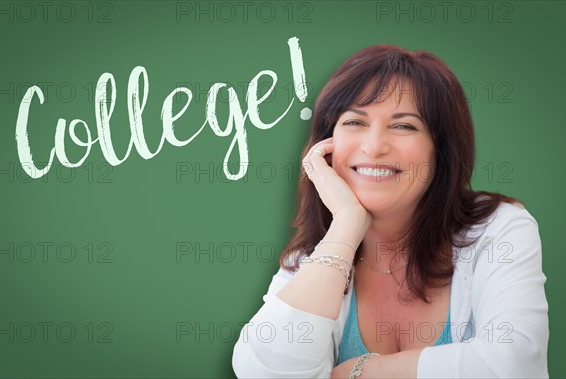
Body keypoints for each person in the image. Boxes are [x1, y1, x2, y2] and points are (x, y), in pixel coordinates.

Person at [231, 44, 549, 378]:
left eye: (403, 126)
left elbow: (514, 363)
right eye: (355, 121)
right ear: (326, 146)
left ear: (441, 151)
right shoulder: (318, 258)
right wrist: (346, 225)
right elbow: (263, 371)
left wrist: (359, 372)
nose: (373, 146)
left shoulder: (498, 229)